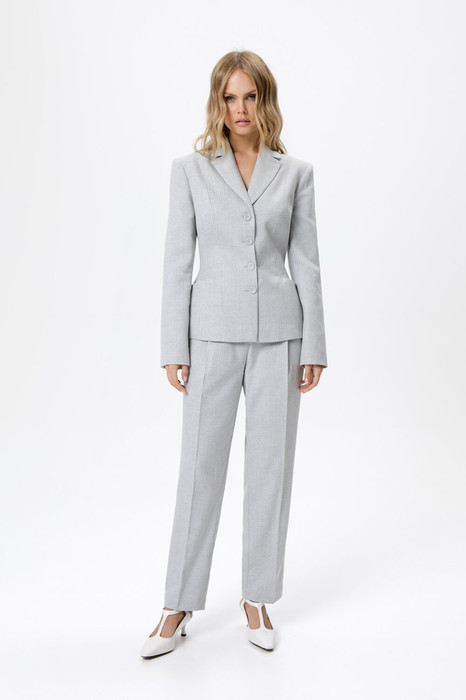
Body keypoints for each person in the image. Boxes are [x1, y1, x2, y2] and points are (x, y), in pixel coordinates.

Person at [140, 49, 328, 658]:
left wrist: (315, 344)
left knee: (270, 469)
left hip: (280, 335)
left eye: (250, 96)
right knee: (200, 469)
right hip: (211, 335)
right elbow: (176, 262)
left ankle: (258, 598)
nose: (240, 108)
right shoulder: (190, 171)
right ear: (217, 102)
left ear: (263, 100)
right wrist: (173, 346)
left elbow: (306, 263)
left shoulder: (295, 173)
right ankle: (178, 603)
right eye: (229, 97)